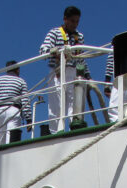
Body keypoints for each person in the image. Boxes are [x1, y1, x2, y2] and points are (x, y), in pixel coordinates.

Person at [39, 6, 91, 134]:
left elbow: (82, 58)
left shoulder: (80, 36)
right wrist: (54, 52)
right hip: (57, 72)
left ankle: (73, 129)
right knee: (56, 105)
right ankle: (55, 132)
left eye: (77, 22)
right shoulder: (54, 33)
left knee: (75, 103)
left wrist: (88, 76)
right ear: (65, 19)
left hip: (74, 72)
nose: (75, 24)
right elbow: (42, 50)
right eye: (72, 21)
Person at [0, 61, 32, 144]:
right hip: (14, 109)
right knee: (12, 138)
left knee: (0, 139)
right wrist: (28, 119)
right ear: (18, 70)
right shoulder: (21, 81)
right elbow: (25, 101)